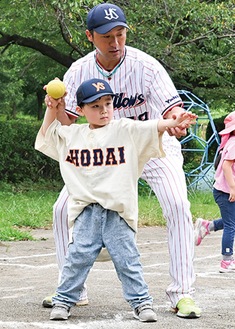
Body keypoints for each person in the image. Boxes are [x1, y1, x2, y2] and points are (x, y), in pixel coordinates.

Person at [43, 3, 202, 319]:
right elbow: (68, 123)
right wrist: (55, 105)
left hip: (150, 146)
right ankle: (70, 291)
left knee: (177, 205)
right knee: (62, 209)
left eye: (120, 34)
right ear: (90, 36)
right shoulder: (79, 71)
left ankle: (182, 293)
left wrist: (179, 119)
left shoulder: (147, 67)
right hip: (105, 155)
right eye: (106, 36)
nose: (115, 42)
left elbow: (171, 110)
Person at [195, 112, 235, 273]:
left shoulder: (231, 143)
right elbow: (226, 166)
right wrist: (233, 188)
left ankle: (207, 226)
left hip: (226, 191)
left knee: (231, 221)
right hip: (225, 192)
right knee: (231, 226)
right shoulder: (234, 143)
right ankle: (226, 260)